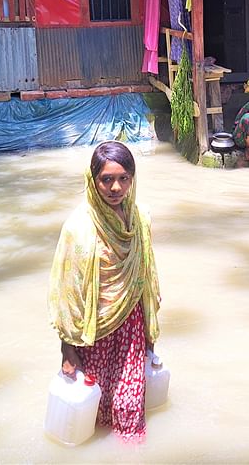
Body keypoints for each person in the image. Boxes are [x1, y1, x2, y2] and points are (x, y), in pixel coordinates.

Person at [48, 141, 161, 441]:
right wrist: (67, 348)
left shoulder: (140, 218)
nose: (115, 188)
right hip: (94, 330)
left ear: (132, 179)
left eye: (124, 178)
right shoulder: (79, 227)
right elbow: (66, 294)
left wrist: (150, 329)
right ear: (93, 180)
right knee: (95, 409)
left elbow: (147, 274)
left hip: (132, 324)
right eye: (107, 179)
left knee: (128, 406)